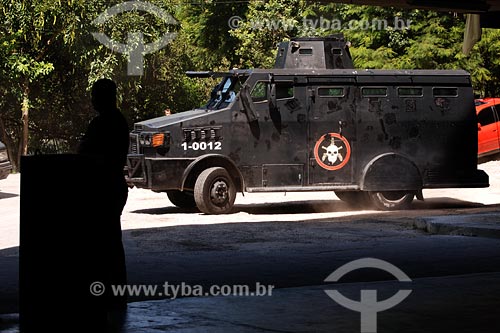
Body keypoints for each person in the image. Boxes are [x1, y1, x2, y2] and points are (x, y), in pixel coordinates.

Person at [78, 78, 130, 312]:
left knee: (103, 245)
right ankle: (115, 293)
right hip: (113, 186)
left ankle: (104, 293)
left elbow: (85, 154)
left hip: (103, 188)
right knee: (111, 243)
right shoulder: (119, 121)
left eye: (95, 95)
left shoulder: (101, 124)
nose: (92, 100)